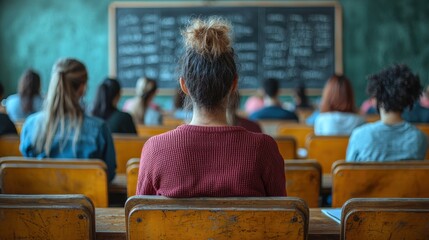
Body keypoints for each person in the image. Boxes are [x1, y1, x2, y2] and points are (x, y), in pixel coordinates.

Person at [136, 17, 285, 197]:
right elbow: (281, 219)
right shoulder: (264, 149)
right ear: (234, 84)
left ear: (184, 86)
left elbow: (141, 219)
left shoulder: (155, 149)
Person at [20, 58, 116, 181]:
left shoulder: (30, 125)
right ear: (82, 87)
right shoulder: (99, 129)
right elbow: (109, 175)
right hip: (85, 199)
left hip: (38, 198)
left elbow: (26, 171)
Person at [346, 64, 427, 162]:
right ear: (408, 100)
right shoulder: (420, 139)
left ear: (375, 99)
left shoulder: (359, 136)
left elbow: (348, 174)